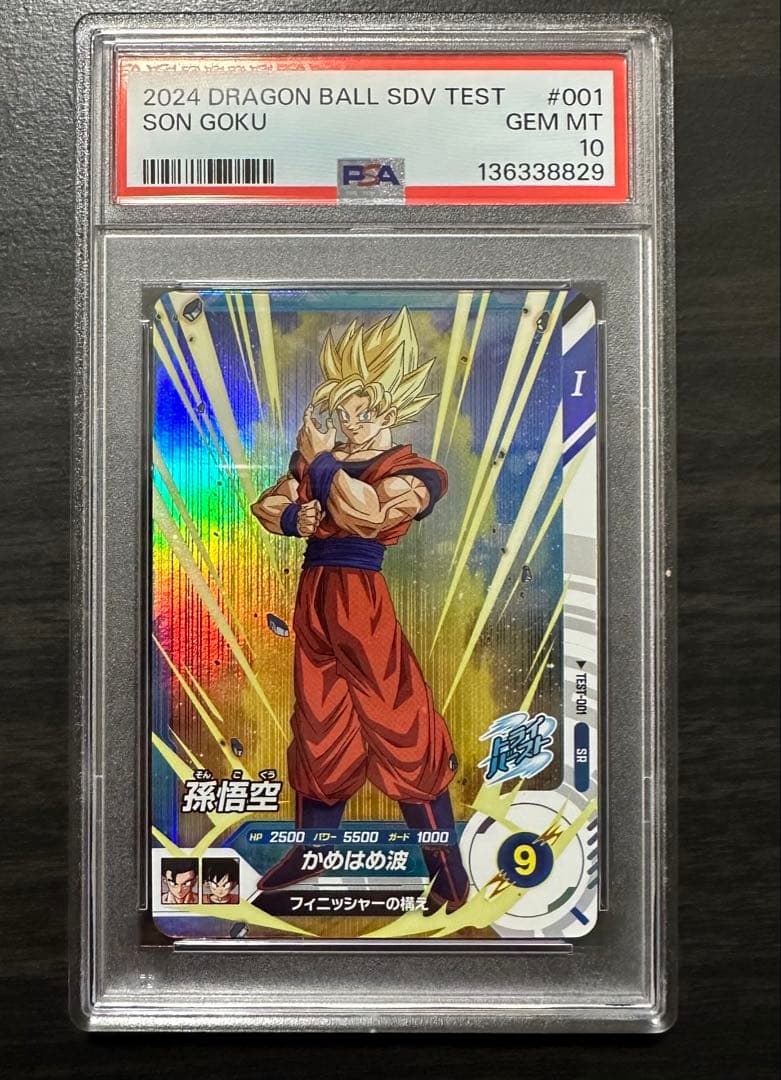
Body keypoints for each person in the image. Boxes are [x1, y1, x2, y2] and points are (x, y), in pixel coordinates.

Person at [252, 307, 469, 914]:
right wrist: (293, 516)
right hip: (315, 599)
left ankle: (448, 873)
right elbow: (266, 504)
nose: (350, 423)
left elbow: (369, 514)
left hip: (361, 602)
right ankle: (312, 853)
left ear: (390, 410)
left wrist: (322, 465)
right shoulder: (317, 460)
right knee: (319, 724)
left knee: (400, 725)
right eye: (343, 412)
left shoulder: (414, 471)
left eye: (363, 412)